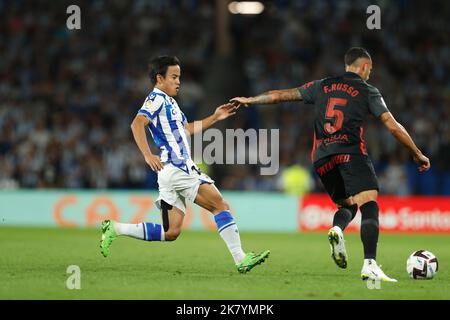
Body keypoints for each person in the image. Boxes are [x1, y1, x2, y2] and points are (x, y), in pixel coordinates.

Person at [231, 47, 430, 281]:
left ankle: (337, 229)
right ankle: (370, 264)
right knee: (369, 204)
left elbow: (279, 95)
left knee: (347, 206)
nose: (369, 74)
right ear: (364, 67)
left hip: (322, 158)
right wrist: (417, 153)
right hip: (351, 152)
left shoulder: (322, 85)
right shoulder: (368, 90)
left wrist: (250, 100)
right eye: (370, 70)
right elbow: (393, 126)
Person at [100, 56, 270, 274]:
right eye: (173, 77)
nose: (178, 82)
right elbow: (137, 124)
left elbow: (187, 129)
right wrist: (147, 155)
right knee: (220, 205)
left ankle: (115, 228)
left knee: (171, 232)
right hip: (177, 167)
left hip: (170, 172)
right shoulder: (156, 99)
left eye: (179, 77)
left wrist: (215, 117)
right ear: (160, 78)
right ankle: (240, 258)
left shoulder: (170, 102)